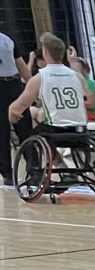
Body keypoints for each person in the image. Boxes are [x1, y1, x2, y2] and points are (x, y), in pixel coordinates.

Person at [6, 34, 90, 150]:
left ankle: (51, 159)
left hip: (55, 129)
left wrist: (12, 115)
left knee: (30, 132)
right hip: (80, 129)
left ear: (45, 53)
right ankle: (58, 159)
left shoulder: (40, 78)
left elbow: (20, 106)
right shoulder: (78, 76)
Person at [0, 29, 23, 187]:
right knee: (2, 133)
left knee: (25, 128)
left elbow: (20, 63)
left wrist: (32, 86)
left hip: (14, 83)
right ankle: (7, 173)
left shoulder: (8, 38)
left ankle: (34, 169)